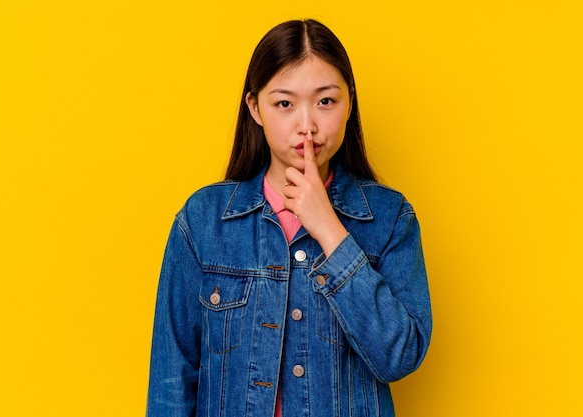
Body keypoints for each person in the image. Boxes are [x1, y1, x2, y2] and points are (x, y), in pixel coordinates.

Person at [146, 19, 432, 417]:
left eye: (325, 101)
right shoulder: (203, 222)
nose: (307, 126)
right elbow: (170, 382)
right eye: (284, 103)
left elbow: (400, 355)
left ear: (349, 102)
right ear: (255, 108)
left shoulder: (389, 220)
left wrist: (331, 230)